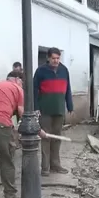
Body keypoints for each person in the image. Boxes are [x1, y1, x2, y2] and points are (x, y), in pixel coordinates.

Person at [34, 47, 73, 176]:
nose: (56, 61)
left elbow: (68, 89)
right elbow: (34, 90)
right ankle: (45, 168)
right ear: (48, 58)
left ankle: (55, 165)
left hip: (59, 109)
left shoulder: (64, 70)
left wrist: (70, 105)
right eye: (53, 58)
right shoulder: (40, 71)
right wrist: (35, 107)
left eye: (58, 58)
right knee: (46, 137)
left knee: (57, 137)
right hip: (45, 110)